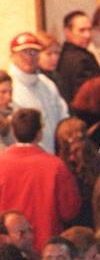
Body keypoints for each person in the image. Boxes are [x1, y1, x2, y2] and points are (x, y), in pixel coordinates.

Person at [0, 108, 81, 251]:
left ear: (13, 131)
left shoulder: (2, 163)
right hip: (47, 248)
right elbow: (69, 211)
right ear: (40, 133)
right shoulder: (55, 166)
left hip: (7, 248)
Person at [9, 31, 69, 154]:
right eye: (24, 52)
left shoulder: (47, 84)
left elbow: (63, 118)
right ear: (13, 55)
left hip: (52, 156)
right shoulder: (7, 88)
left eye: (34, 52)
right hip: (23, 159)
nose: (30, 57)